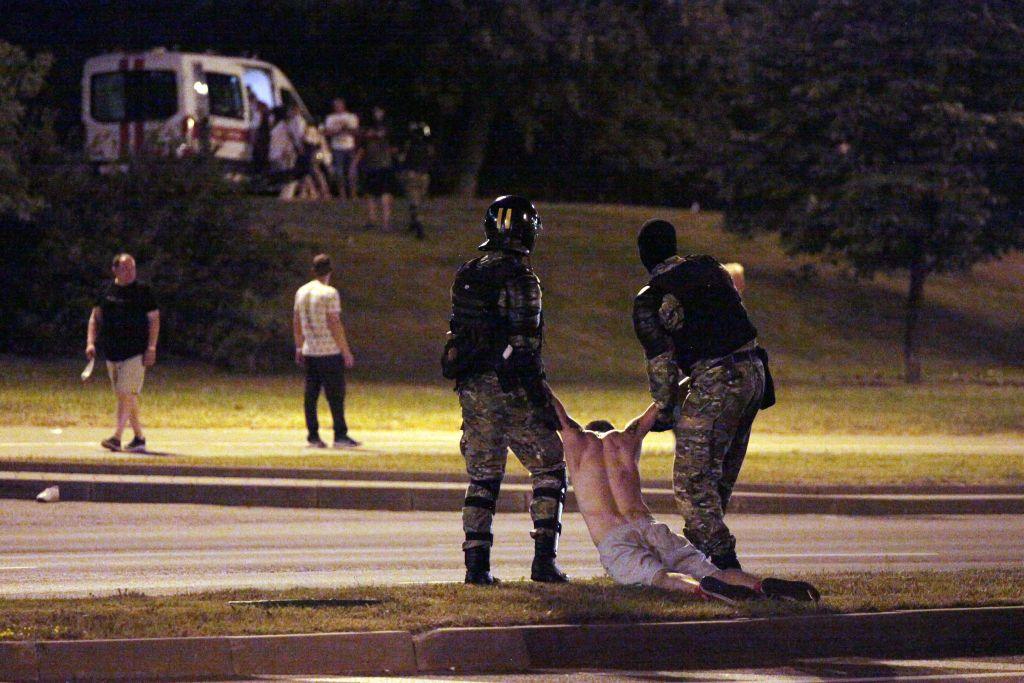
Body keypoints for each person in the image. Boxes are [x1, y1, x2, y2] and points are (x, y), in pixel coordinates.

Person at [550, 390, 819, 604]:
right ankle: (759, 585)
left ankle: (702, 591)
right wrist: (689, 377)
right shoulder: (626, 439)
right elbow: (657, 407)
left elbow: (557, 411)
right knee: (713, 571)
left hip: (615, 538)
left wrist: (531, 371)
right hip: (651, 527)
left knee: (660, 577)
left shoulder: (576, 442)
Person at [632, 219, 775, 571]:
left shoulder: (653, 298)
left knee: (692, 483)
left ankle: (728, 568)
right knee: (716, 478)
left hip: (717, 380)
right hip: (754, 374)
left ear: (644, 256)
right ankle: (696, 561)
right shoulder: (711, 268)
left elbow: (662, 364)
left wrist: (664, 410)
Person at [442, 196, 567, 585]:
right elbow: (524, 346)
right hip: (511, 385)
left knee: (483, 477)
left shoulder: (468, 271)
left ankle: (476, 567)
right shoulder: (522, 278)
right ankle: (543, 561)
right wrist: (542, 399)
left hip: (473, 386)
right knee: (550, 467)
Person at [85, 254, 160, 453]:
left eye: (132, 268)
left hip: (135, 352)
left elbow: (154, 320)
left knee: (126, 393)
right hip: (112, 351)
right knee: (125, 396)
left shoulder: (143, 291)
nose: (130, 272)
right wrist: (90, 342)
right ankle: (139, 438)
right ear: (115, 270)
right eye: (125, 268)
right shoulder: (106, 290)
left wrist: (151, 347)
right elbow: (95, 318)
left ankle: (116, 437)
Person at [293, 254, 359, 449]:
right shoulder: (329, 293)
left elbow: (296, 321)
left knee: (311, 394)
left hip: (310, 350)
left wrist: (299, 345)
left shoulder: (301, 292)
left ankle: (313, 435)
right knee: (335, 394)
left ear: (313, 271)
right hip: (329, 351)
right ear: (330, 271)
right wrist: (345, 350)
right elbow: (334, 323)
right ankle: (340, 434)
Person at [353, 106, 396, 230]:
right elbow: (363, 146)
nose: (377, 113)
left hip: (383, 164)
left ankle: (386, 222)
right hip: (371, 164)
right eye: (376, 111)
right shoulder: (369, 127)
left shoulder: (387, 126)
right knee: (370, 194)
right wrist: (355, 163)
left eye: (379, 111)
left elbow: (385, 136)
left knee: (385, 193)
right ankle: (371, 219)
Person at [399, 121, 434, 239]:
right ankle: (414, 223)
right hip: (424, 175)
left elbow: (403, 159)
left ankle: (419, 228)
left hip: (412, 174)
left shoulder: (410, 145)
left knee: (414, 202)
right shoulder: (428, 147)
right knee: (418, 201)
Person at [324, 98, 359, 199]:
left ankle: (353, 193)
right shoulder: (330, 118)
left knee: (352, 170)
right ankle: (342, 193)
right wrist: (338, 131)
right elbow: (327, 132)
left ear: (343, 105)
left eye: (339, 104)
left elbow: (355, 131)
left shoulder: (351, 117)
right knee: (339, 171)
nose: (337, 107)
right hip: (337, 148)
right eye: (335, 105)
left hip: (349, 146)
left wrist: (346, 129)